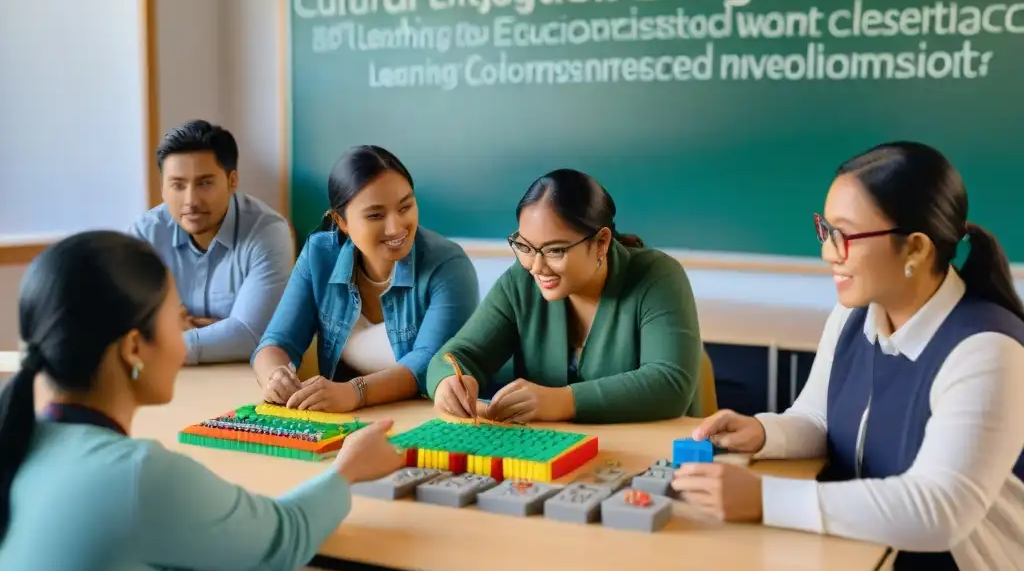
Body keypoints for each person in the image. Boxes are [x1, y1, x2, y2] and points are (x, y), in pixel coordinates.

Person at [673, 142, 1024, 571]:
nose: (826, 251)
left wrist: (762, 497)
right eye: (825, 229)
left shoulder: (987, 349)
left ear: (916, 248)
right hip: (859, 559)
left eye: (845, 235)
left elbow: (939, 512)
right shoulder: (854, 313)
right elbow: (820, 416)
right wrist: (763, 431)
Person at [0, 231, 404, 571]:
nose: (185, 341)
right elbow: (283, 541)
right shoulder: (139, 476)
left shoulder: (24, 441)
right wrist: (348, 469)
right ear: (134, 348)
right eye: (179, 321)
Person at [426, 168, 702, 424]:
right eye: (524, 246)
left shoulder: (657, 276)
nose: (536, 267)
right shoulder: (521, 281)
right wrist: (448, 382)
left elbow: (670, 384)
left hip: (654, 455)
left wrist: (562, 401)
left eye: (555, 250)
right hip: (556, 454)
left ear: (602, 242)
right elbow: (455, 356)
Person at [251, 145, 479, 413]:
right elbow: (277, 341)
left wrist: (354, 392)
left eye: (405, 206)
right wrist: (275, 377)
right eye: (375, 215)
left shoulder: (448, 265)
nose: (396, 227)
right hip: (344, 419)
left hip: (424, 418)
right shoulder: (320, 254)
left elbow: (429, 363)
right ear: (341, 221)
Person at [128, 120, 294, 365]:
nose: (191, 200)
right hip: (167, 377)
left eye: (204, 183)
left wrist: (167, 339)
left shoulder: (268, 232)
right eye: (178, 185)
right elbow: (122, 324)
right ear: (163, 187)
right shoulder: (146, 234)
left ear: (232, 181)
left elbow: (251, 334)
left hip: (240, 379)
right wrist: (218, 336)